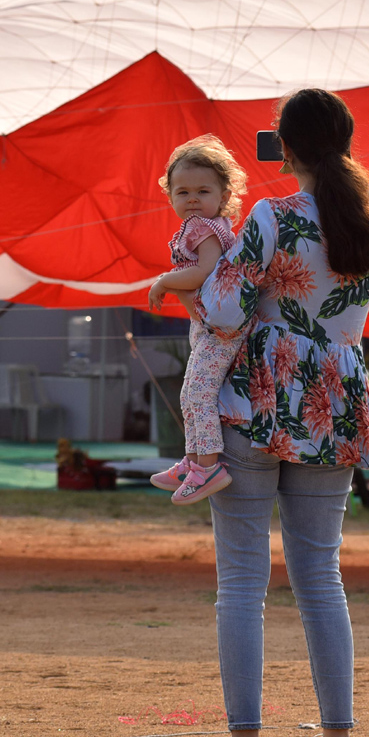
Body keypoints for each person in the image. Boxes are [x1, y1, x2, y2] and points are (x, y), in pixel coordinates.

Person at [191, 88, 369, 737]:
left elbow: (224, 306)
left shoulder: (271, 216)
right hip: (337, 399)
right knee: (321, 579)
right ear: (346, 144)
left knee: (242, 582)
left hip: (258, 397)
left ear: (284, 150)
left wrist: (187, 281)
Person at [147, 135, 246, 505]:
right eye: (182, 192)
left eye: (202, 191)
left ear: (223, 196)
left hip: (219, 327)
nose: (191, 200)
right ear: (170, 196)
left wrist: (165, 281)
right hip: (210, 322)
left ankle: (207, 467)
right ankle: (193, 461)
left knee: (196, 393)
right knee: (192, 392)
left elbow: (204, 272)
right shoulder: (203, 226)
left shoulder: (206, 229)